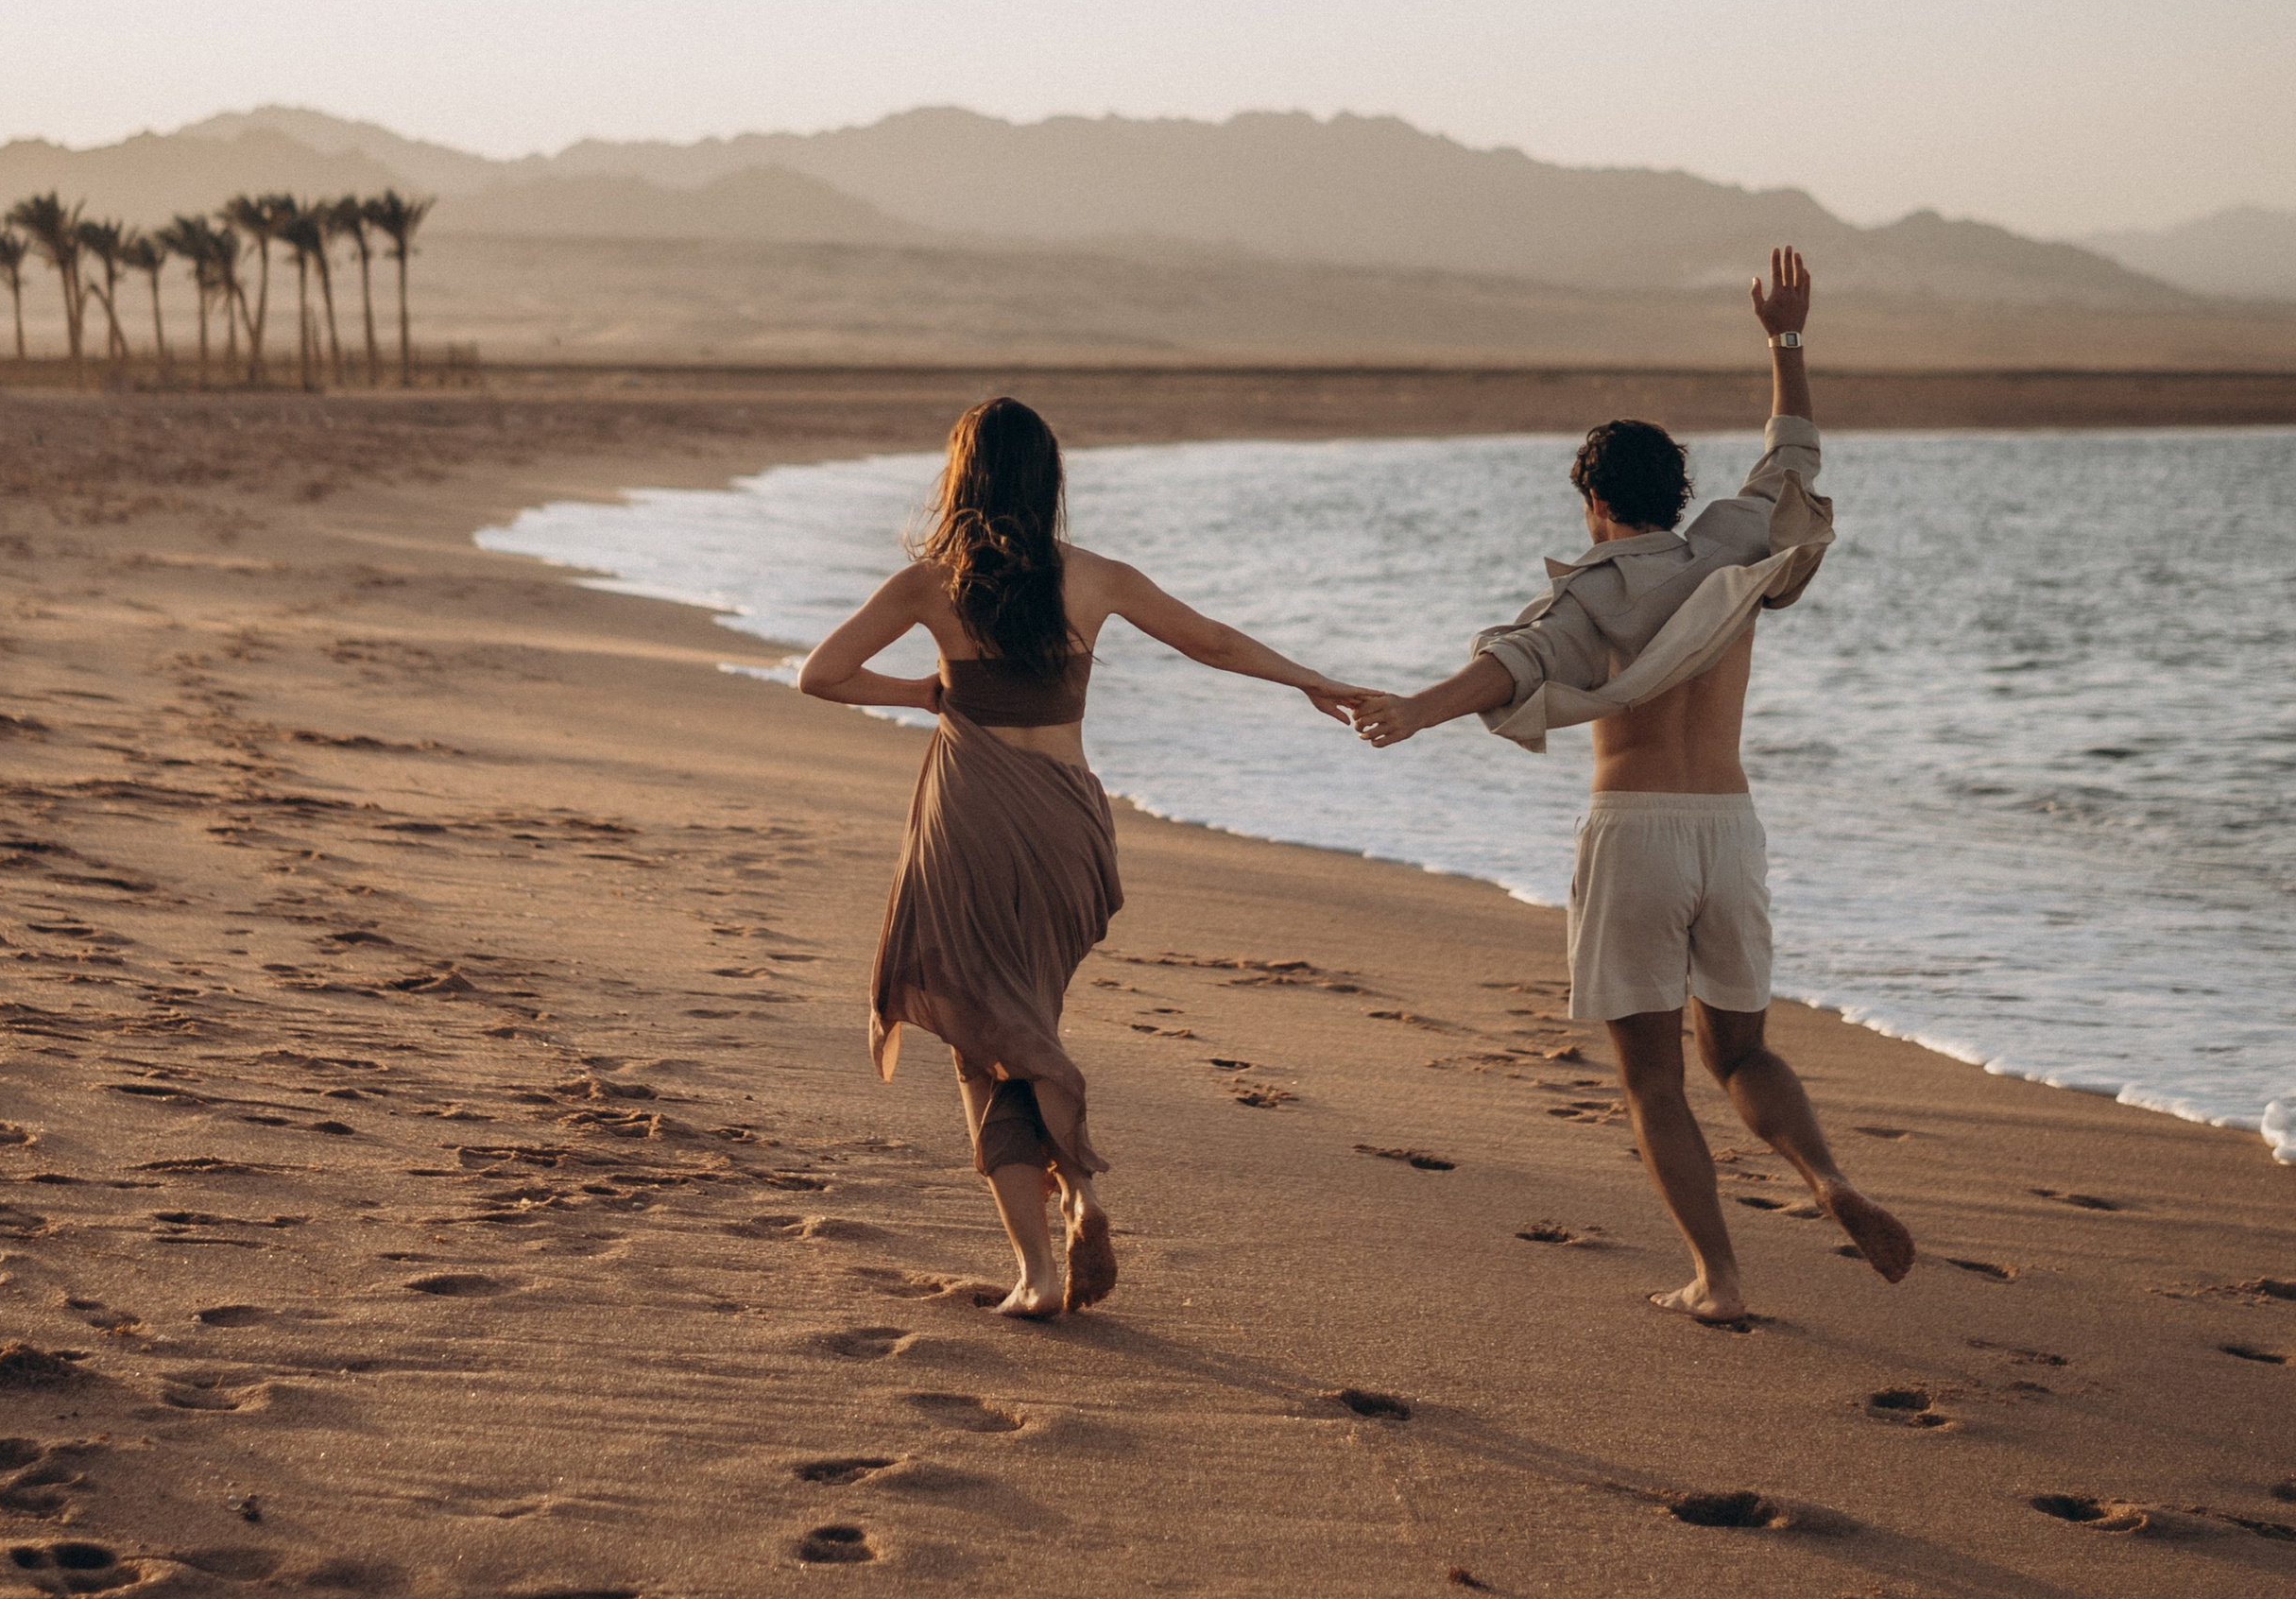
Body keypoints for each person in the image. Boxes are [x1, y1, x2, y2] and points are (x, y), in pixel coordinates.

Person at [1346, 250, 1912, 1325]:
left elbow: (1513, 663)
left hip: (1636, 833)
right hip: (1730, 831)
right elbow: (1793, 450)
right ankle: (1826, 1177)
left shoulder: (1594, 592)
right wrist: (1784, 338)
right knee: (1742, 1050)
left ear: (1597, 502)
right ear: (1681, 495)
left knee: (1654, 1076)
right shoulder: (1735, 549)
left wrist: (1413, 709)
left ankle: (1722, 1278)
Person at [797, 396, 1358, 1320]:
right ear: (1047, 481)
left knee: (988, 1044)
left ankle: (1043, 1263)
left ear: (959, 479)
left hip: (972, 824)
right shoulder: (1097, 577)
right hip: (1065, 827)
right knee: (1025, 1018)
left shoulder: (927, 583)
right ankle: (1072, 1204)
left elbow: (820, 674)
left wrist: (930, 692)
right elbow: (1212, 642)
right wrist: (1317, 682)